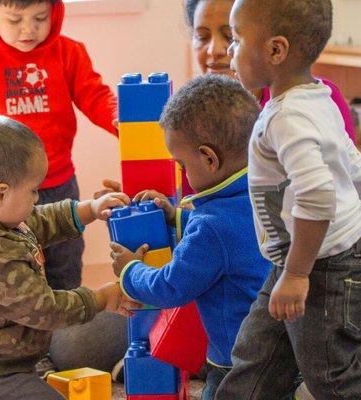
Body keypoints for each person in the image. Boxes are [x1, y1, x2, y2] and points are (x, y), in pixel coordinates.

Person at [184, 0, 361, 377]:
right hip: (288, 265)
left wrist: (300, 272)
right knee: (252, 351)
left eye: (234, 38)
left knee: (332, 364)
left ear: (276, 50)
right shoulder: (314, 97)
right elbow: (356, 171)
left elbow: (321, 193)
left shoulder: (287, 116)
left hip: (315, 266)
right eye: (202, 36)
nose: (221, 51)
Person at [0, 114, 129, 400]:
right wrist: (103, 297)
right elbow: (48, 310)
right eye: (32, 190)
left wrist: (90, 209)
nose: (36, 198)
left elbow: (42, 220)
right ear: (1, 194)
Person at [109, 75, 271, 400]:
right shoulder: (267, 191)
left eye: (182, 164)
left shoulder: (212, 226)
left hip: (233, 362)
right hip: (280, 348)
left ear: (209, 159)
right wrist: (178, 217)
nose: (182, 172)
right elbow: (235, 237)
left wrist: (130, 271)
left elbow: (170, 287)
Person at [0, 0, 118, 291]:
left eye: (40, 18)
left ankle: (66, 329)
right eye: (15, 20)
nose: (29, 29)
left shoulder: (68, 52)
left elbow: (96, 96)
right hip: (0, 193)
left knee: (65, 263)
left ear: (55, 11)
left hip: (59, 182)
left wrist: (120, 120)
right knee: (7, 268)